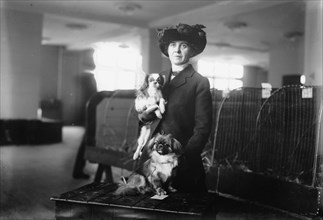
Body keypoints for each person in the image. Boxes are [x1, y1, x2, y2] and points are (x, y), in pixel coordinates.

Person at [138, 23, 213, 192]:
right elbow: (143, 115)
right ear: (167, 49)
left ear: (192, 51)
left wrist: (184, 157)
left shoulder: (199, 82)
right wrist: (145, 116)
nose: (177, 50)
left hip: (179, 160)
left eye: (183, 46)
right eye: (173, 45)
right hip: (151, 157)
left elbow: (203, 128)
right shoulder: (157, 78)